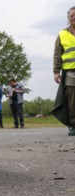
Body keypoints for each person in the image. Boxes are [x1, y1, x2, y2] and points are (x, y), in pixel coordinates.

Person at [52, 6, 75, 136]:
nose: (74, 17)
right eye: (72, 15)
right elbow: (57, 54)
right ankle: (73, 125)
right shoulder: (62, 34)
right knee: (71, 101)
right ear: (68, 18)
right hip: (70, 71)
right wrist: (56, 71)